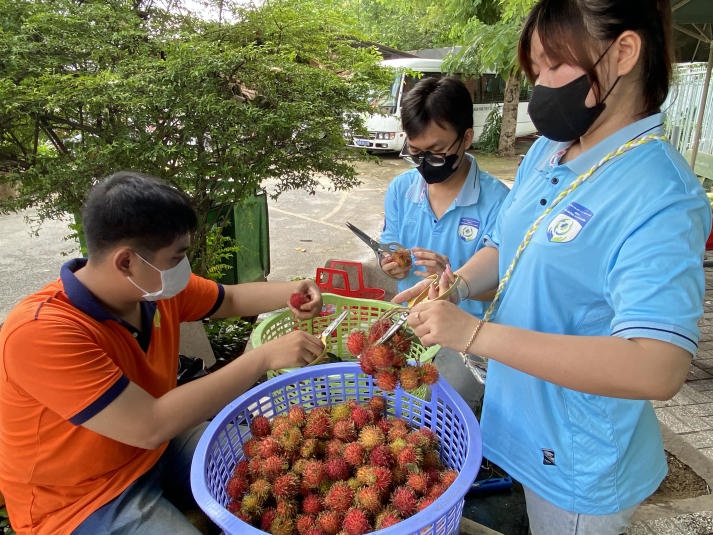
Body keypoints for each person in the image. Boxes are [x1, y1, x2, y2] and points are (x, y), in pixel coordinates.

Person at [395, 1, 712, 533]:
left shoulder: (660, 194)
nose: (541, 85)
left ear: (624, 52)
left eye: (552, 66)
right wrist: (459, 286)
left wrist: (474, 332)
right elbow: (506, 244)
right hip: (523, 423)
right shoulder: (549, 150)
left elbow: (657, 367)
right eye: (536, 69)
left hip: (577, 455)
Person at [0, 171, 326, 535]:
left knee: (281, 462)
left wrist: (294, 291)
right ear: (126, 262)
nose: (182, 270)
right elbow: (149, 424)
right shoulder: (41, 332)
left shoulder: (155, 289)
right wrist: (263, 357)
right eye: (177, 258)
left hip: (156, 451)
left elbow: (229, 298)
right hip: (79, 500)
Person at [378, 76, 510, 412]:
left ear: (467, 138)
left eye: (437, 151)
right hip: (410, 324)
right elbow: (388, 243)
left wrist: (455, 281)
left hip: (468, 338)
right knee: (378, 397)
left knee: (438, 411)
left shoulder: (500, 203)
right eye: (416, 151)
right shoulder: (401, 189)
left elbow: (505, 291)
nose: (425, 162)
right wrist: (393, 261)